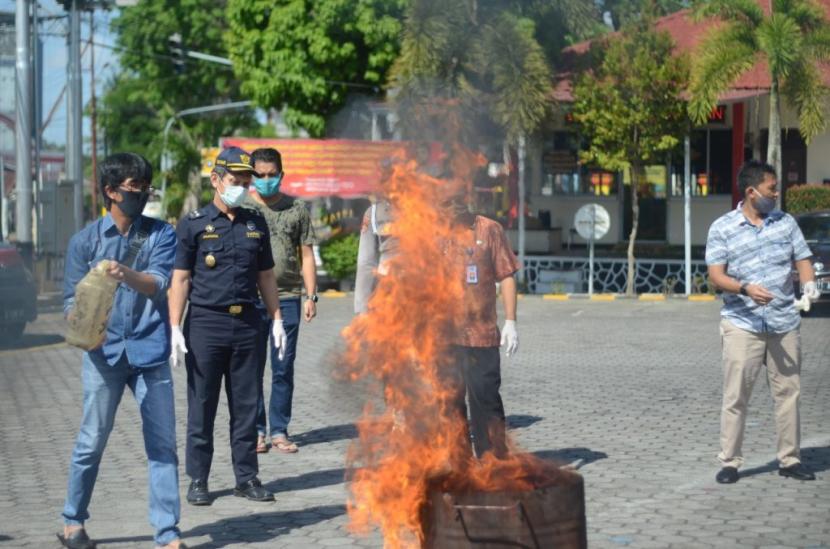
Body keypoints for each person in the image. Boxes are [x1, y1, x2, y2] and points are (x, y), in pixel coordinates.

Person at [60, 153, 185, 549]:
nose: (143, 193)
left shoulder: (162, 234)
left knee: (162, 445)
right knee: (91, 441)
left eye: (146, 186)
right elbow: (69, 301)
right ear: (111, 191)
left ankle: (167, 533)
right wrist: (84, 329)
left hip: (150, 352)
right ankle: (72, 522)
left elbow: (159, 284)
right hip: (104, 356)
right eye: (135, 187)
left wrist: (124, 273)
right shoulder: (84, 242)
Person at [168, 147, 288, 506]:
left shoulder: (256, 222)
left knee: (247, 406)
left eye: (246, 182)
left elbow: (266, 275)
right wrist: (174, 326)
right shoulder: (193, 223)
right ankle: (199, 480)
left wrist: (277, 318)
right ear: (216, 180)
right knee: (202, 405)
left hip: (249, 323)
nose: (242, 188)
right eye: (236, 182)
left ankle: (246, 477)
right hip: (206, 323)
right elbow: (181, 278)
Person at [706, 160, 820, 484]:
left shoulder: (787, 224)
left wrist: (808, 284)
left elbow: (803, 260)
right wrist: (744, 288)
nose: (777, 193)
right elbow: (716, 276)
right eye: (772, 188)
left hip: (784, 322)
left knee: (788, 393)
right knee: (736, 395)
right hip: (742, 324)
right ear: (752, 192)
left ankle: (790, 460)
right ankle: (730, 462)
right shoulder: (722, 227)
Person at [244, 147, 318, 454]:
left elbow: (306, 255)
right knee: (251, 368)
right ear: (251, 177)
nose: (265, 180)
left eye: (271, 175)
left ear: (281, 175)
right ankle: (256, 431)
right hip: (250, 299)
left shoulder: (296, 209)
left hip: (287, 298)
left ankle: (279, 430)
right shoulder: (243, 209)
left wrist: (311, 295)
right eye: (259, 175)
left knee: (283, 367)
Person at [442, 188, 519, 458]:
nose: (454, 207)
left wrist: (511, 321)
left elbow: (507, 275)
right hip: (444, 336)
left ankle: (493, 462)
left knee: (485, 399)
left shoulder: (490, 230)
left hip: (482, 335)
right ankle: (458, 463)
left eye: (458, 199)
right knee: (449, 403)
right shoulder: (432, 234)